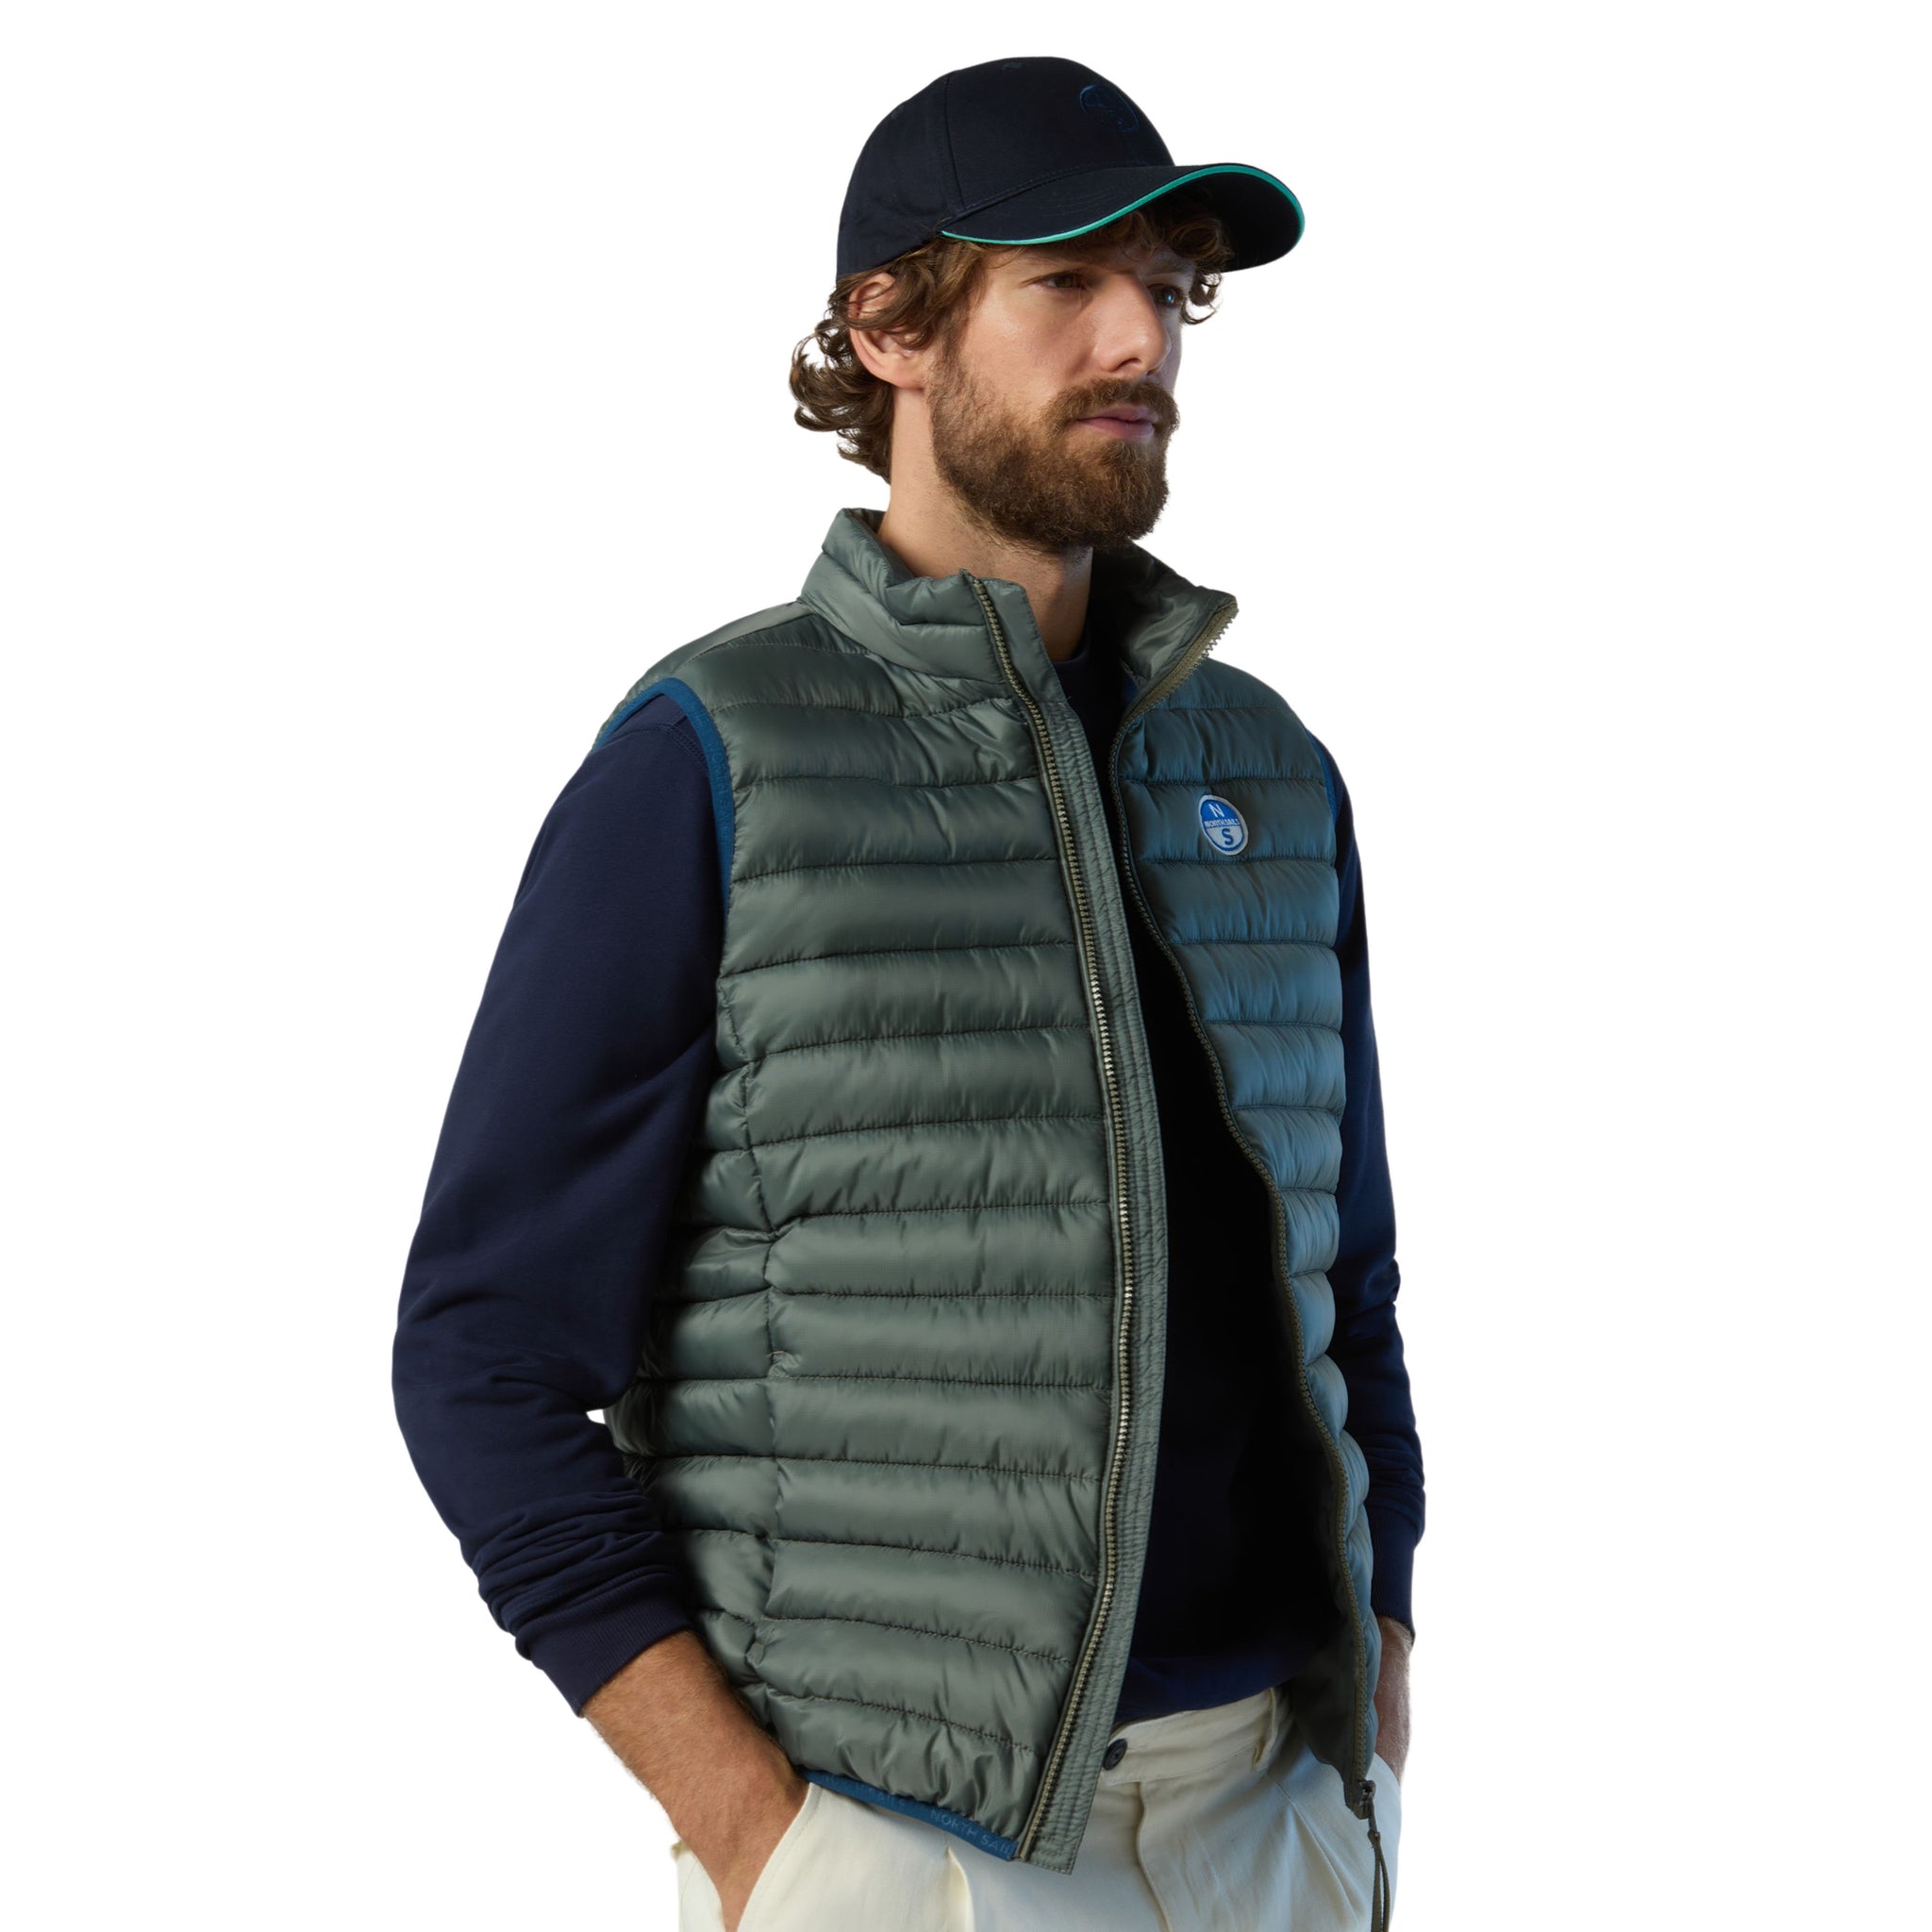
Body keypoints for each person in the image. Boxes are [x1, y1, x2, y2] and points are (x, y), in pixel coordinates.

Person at [392, 54, 1424, 1932]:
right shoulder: (715, 756)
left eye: (1167, 288)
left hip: (1273, 1818)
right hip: (907, 1841)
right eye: (1066, 283)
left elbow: (1342, 1284)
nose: (1140, 338)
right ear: (887, 328)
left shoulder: (1267, 768)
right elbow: (481, 1354)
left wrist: (1383, 1673)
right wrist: (763, 1836)